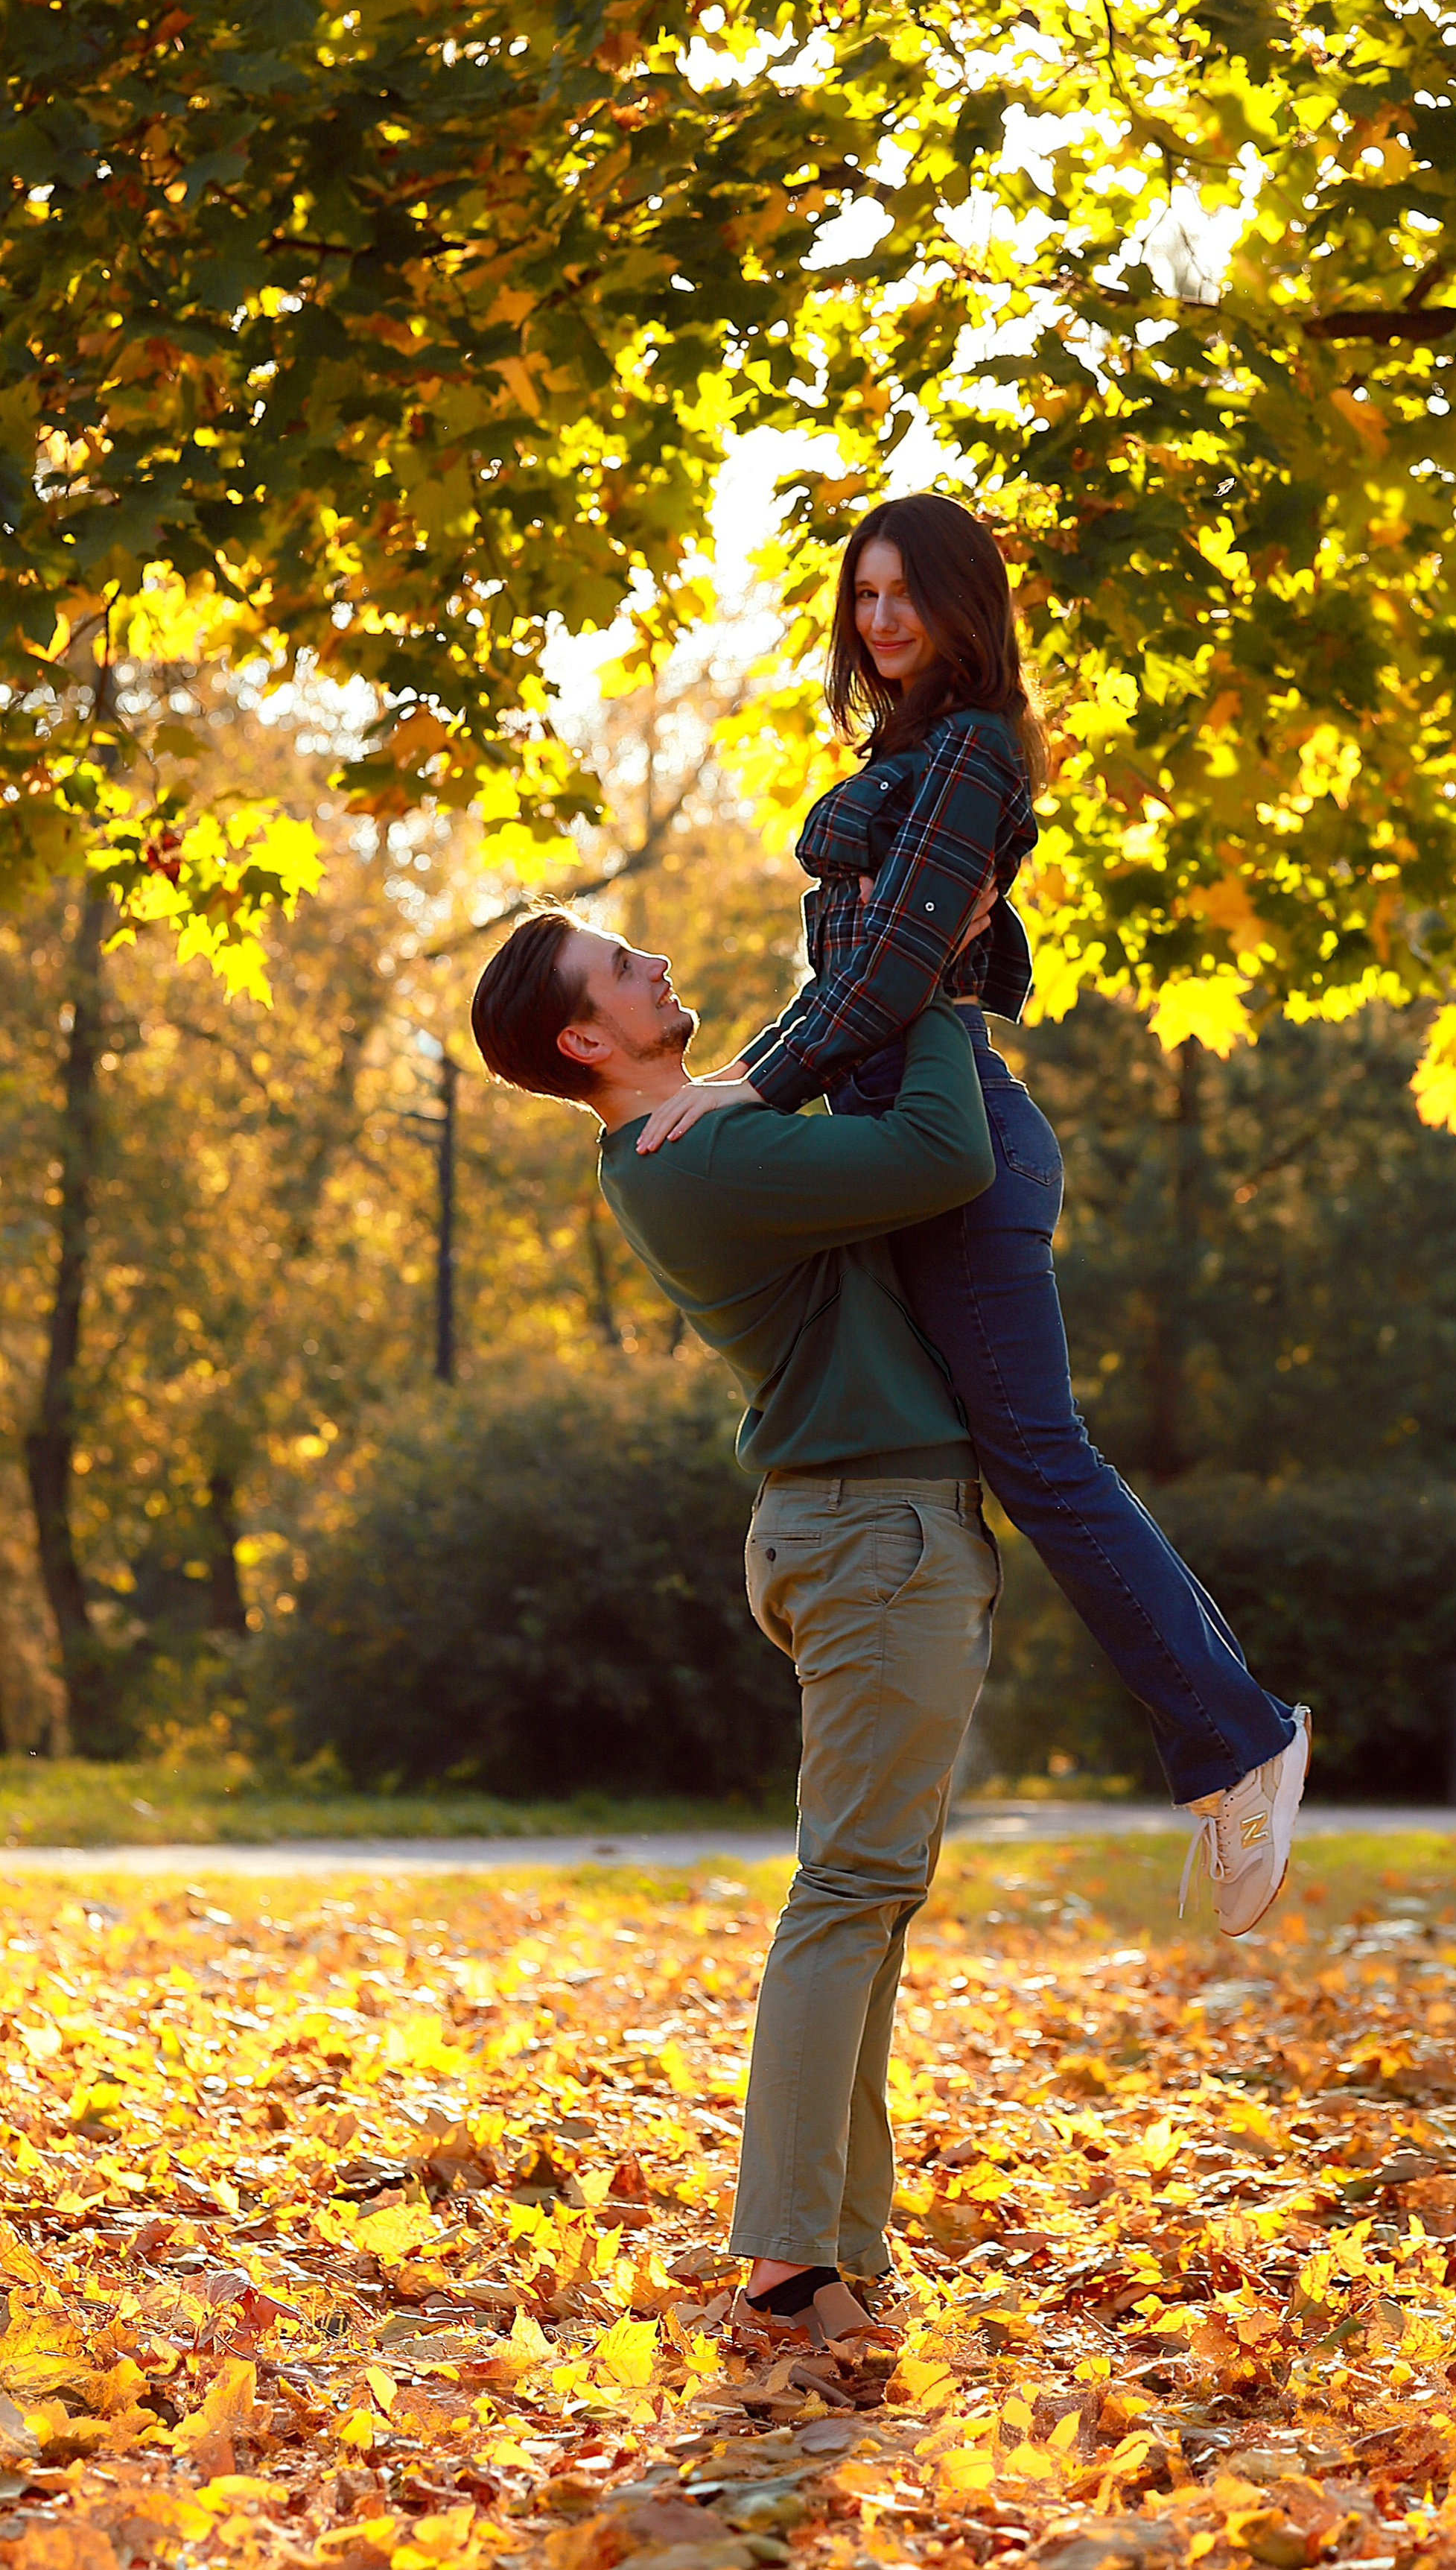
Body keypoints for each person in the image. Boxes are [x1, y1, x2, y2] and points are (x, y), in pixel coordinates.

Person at [629, 492, 1311, 1933]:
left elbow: (889, 985)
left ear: (961, 605)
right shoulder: (908, 754)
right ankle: (1234, 1739)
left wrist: (751, 1084)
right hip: (904, 1122)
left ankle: (1239, 1742)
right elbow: (862, 977)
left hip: (959, 1141)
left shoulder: (973, 752)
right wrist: (759, 1074)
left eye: (906, 596)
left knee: (1042, 1460)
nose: (881, 622)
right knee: (1032, 1456)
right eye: (863, 597)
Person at [470, 907, 1005, 2349]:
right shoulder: (698, 1155)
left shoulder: (698, 1139)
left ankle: (838, 2246)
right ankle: (783, 2265)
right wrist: (943, 998)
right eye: (620, 967)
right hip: (871, 1534)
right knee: (847, 1896)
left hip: (859, 1528)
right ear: (587, 1039)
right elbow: (946, 1157)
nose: (654, 965)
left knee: (868, 1898)